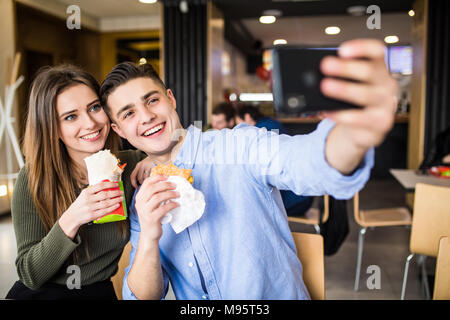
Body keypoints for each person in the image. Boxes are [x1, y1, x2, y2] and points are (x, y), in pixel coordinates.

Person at [100, 39, 398, 300]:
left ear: (170, 99)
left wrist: (352, 133)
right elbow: (140, 296)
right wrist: (151, 235)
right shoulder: (141, 196)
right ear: (119, 129)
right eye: (129, 113)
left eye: (152, 100)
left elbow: (308, 162)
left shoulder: (239, 145)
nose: (147, 116)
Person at [5, 65, 153, 300]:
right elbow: (29, 273)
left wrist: (154, 158)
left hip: (99, 292)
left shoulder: (131, 166)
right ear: (52, 128)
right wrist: (73, 216)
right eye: (71, 116)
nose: (90, 123)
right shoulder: (33, 178)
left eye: (94, 108)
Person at [236, 104, 314, 216]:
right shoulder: (271, 124)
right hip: (302, 194)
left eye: (239, 123)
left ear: (247, 117)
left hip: (294, 198)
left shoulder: (260, 132)